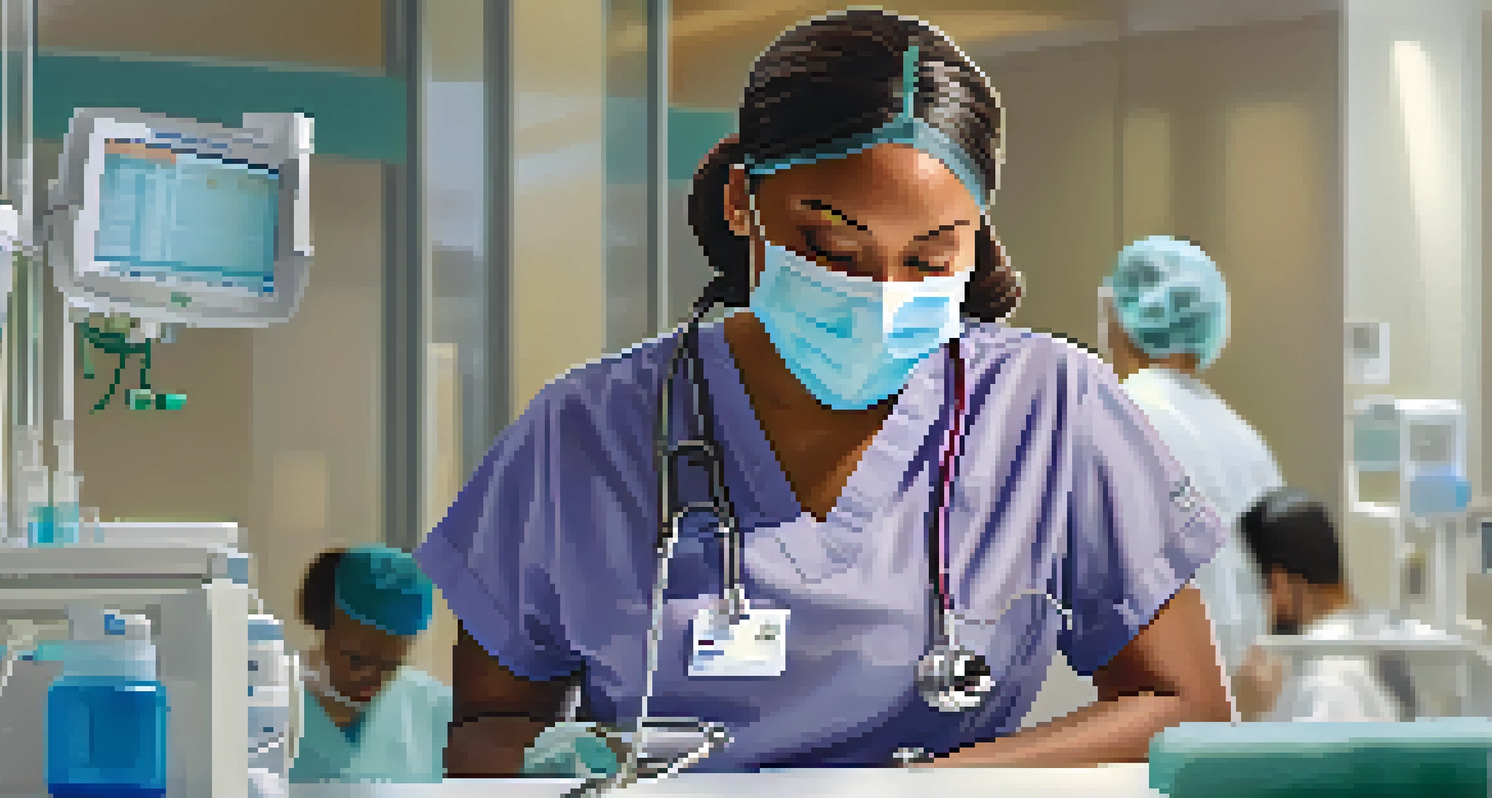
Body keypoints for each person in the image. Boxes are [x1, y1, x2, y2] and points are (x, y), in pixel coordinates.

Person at [419, 9, 1231, 776]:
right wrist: (558, 763)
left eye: (928, 259)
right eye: (833, 247)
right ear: (743, 202)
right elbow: (484, 728)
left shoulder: (1049, 406)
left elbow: (1183, 705)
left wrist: (935, 789)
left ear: (976, 240)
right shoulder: (591, 430)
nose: (880, 292)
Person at [1102, 235, 1285, 712]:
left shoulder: (1118, 416)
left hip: (1159, 703)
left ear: (1120, 321)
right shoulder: (1244, 437)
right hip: (1246, 702)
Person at [1232, 489, 1409, 722]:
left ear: (1279, 586)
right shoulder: (1376, 636)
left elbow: (1306, 759)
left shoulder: (1327, 679)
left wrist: (1242, 713)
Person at [288, 545, 453, 783]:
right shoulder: (268, 701)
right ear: (323, 624)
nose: (374, 678)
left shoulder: (433, 710)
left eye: (391, 666)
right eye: (357, 660)